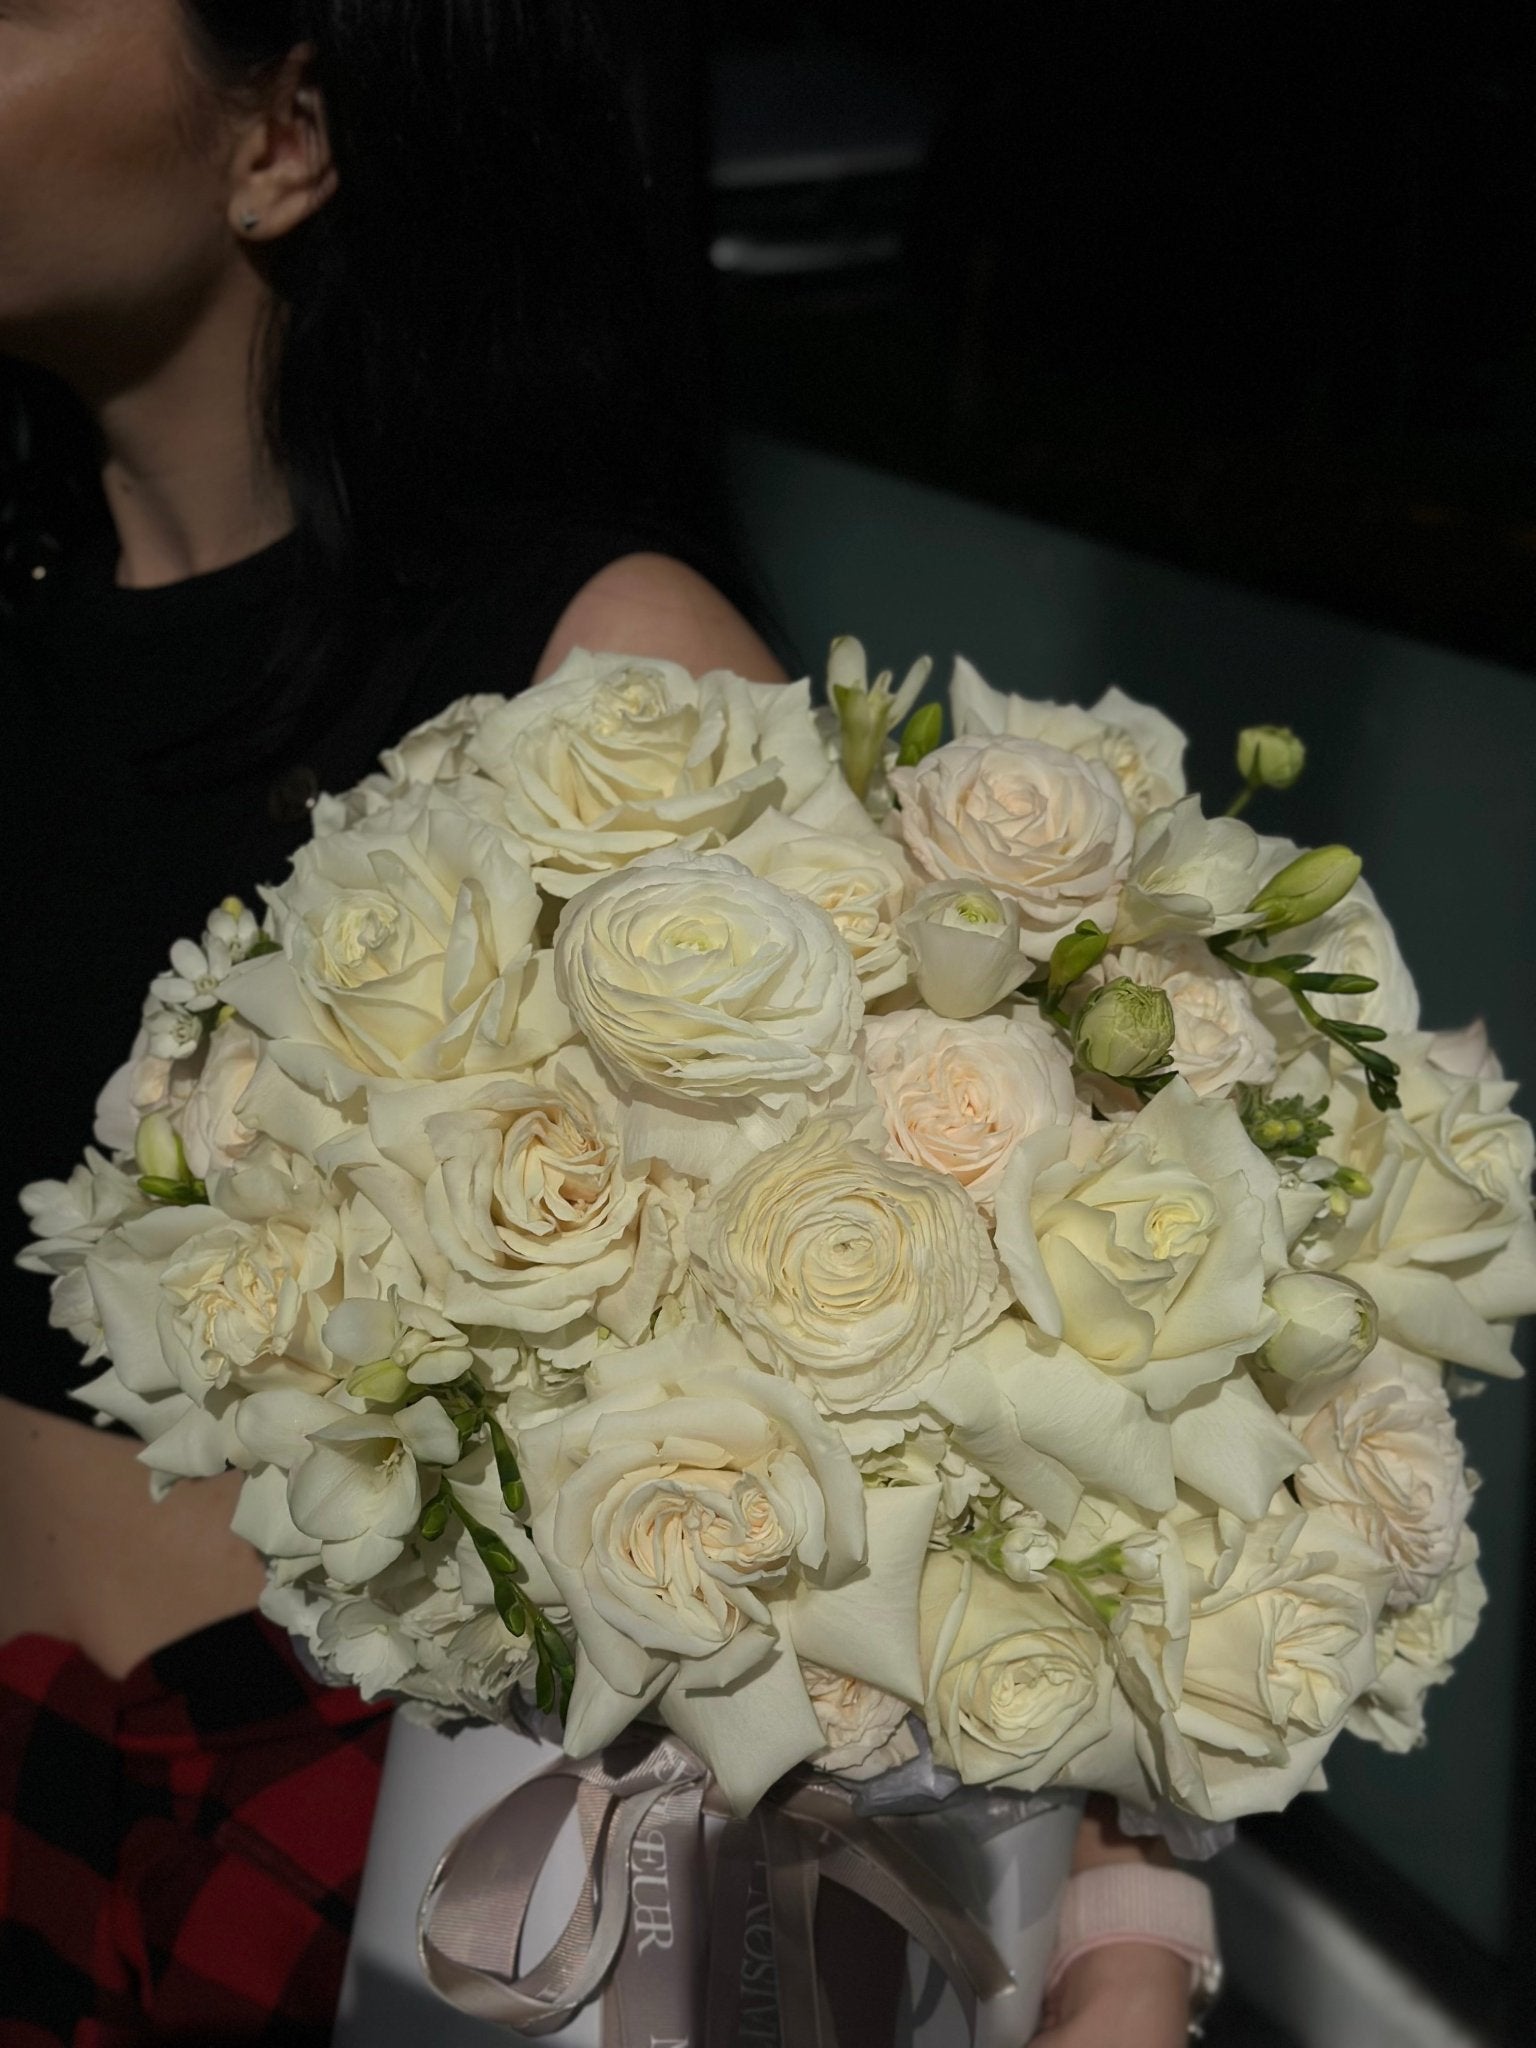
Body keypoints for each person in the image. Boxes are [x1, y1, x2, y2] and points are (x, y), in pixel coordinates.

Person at [0, 5, 1201, 2042]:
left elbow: (956, 1426)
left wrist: (1130, 1947)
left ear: (282, 135)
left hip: (378, 1904)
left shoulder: (604, 690)